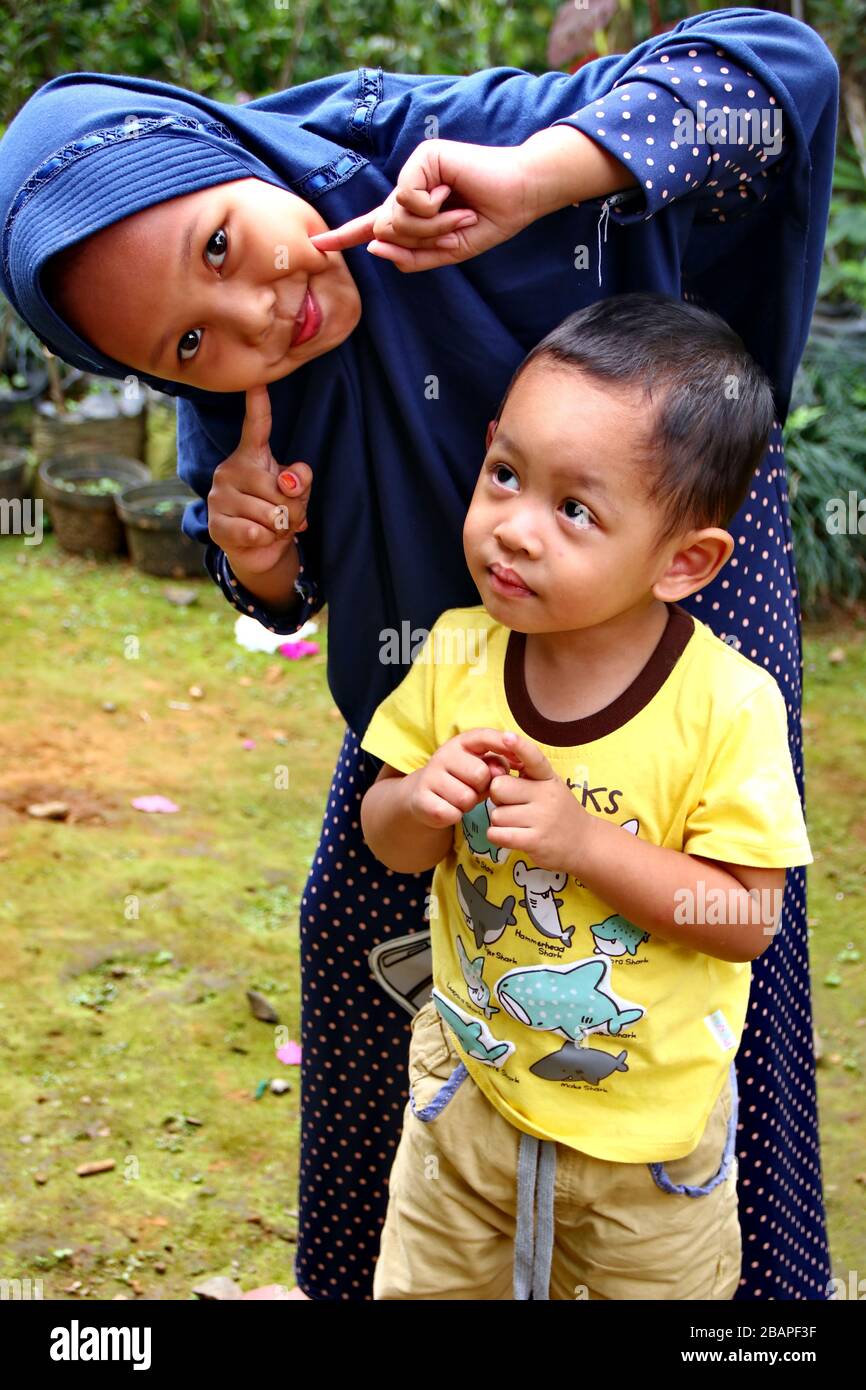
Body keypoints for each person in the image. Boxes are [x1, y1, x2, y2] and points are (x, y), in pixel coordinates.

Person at [0, 7, 838, 1300]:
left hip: (667, 644)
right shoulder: (236, 396)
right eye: (184, 342)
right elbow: (273, 585)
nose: (252, 317)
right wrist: (262, 549)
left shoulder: (448, 149)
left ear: (218, 153)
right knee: (363, 928)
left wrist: (548, 172)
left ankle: (732, 1297)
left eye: (221, 243)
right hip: (444, 687)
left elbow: (777, 75)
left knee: (697, 955)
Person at [358, 293, 814, 1300]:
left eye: (573, 509)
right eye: (504, 474)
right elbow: (386, 840)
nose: (512, 529)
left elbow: (744, 916)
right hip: (464, 1105)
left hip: (640, 1153)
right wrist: (418, 800)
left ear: (682, 561)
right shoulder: (456, 653)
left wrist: (583, 842)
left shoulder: (725, 708)